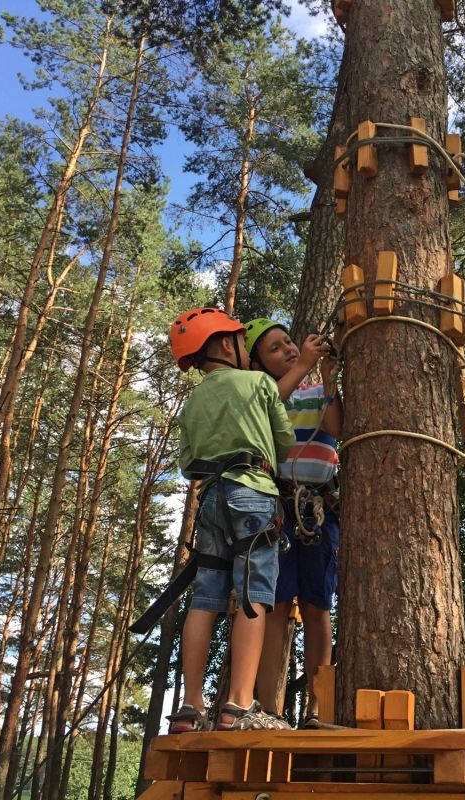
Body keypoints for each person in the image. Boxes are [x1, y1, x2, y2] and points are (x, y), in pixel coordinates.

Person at [166, 307, 297, 732]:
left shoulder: (192, 403)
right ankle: (238, 704)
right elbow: (285, 442)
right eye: (242, 341)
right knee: (254, 595)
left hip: (211, 500)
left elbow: (188, 465)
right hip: (253, 493)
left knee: (205, 598)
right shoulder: (258, 382)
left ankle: (190, 705)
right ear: (226, 344)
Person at [244, 318, 341, 728]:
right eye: (275, 348)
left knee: (317, 606)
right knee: (278, 605)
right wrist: (303, 367)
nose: (287, 349)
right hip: (279, 508)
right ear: (257, 365)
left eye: (288, 342)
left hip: (319, 508)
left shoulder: (316, 392)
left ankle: (317, 707)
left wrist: (328, 379)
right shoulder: (261, 393)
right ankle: (269, 707)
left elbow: (336, 428)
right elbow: (266, 415)